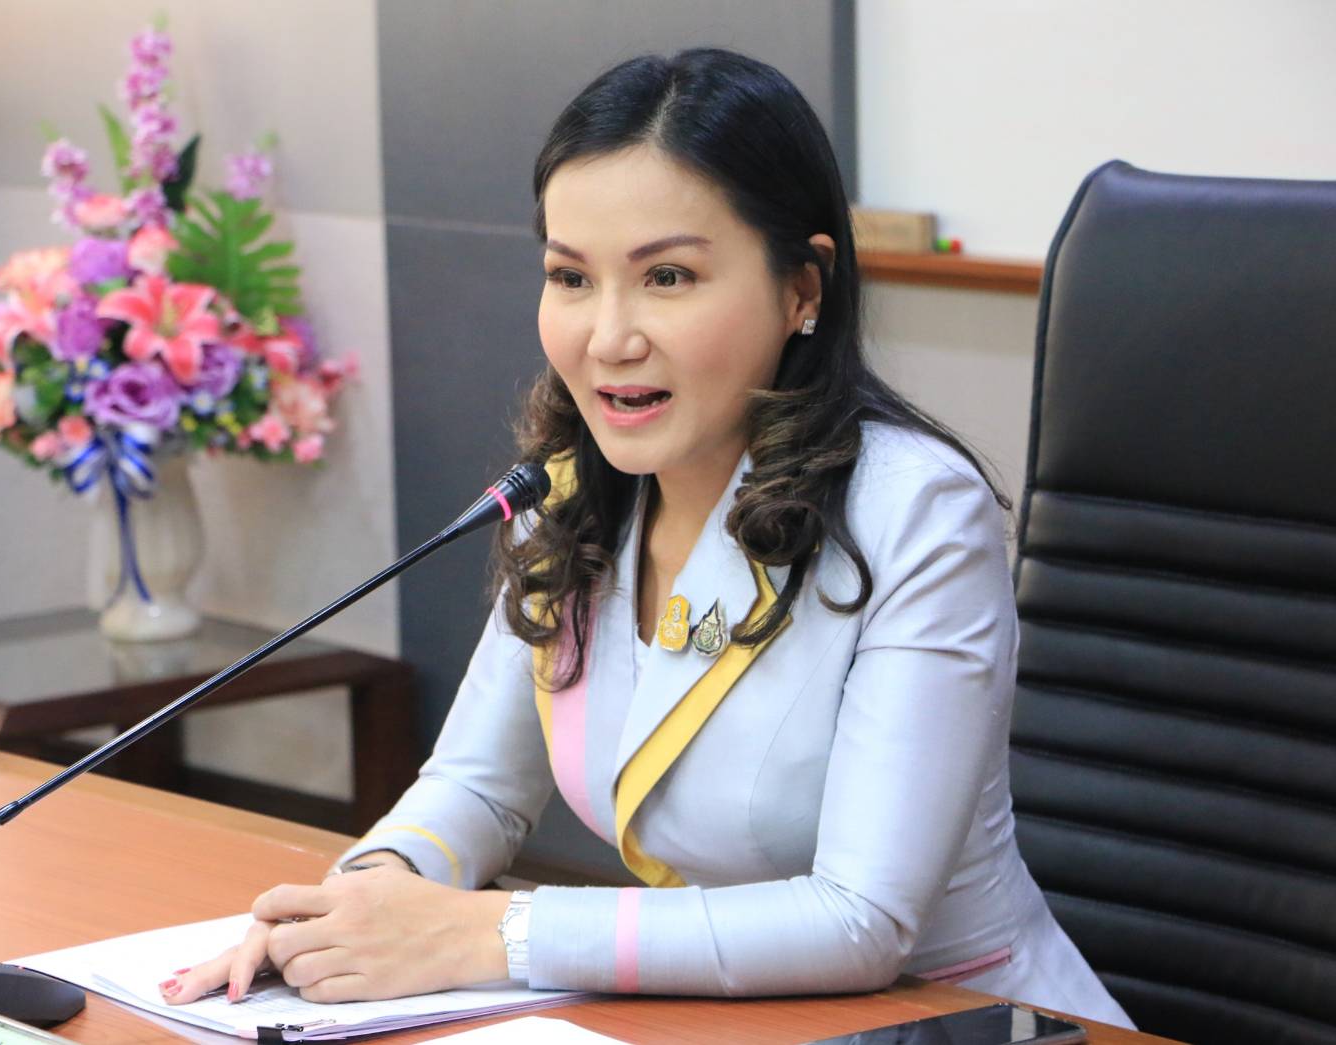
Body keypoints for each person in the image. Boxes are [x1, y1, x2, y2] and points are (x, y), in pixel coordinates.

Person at [161, 47, 1135, 1029]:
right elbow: (474, 788)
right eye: (570, 277)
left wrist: (490, 933)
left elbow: (861, 919)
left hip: (967, 1021)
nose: (609, 337)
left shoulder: (913, 510)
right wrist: (354, 905)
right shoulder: (570, 489)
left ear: (802, 288)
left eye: (667, 276)